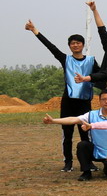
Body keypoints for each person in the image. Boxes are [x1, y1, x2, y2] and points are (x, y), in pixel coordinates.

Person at [26, 19, 99, 172]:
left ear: (83, 45)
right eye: (73, 43)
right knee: (67, 134)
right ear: (69, 46)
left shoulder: (91, 61)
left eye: (78, 43)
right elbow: (51, 47)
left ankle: (88, 162)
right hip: (68, 102)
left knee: (86, 133)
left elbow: (101, 76)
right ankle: (68, 162)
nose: (76, 45)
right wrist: (35, 31)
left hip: (85, 102)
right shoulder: (66, 59)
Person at [41, 90, 107, 181]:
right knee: (82, 145)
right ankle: (86, 172)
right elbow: (73, 119)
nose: (106, 101)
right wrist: (54, 121)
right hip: (95, 150)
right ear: (99, 101)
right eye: (104, 99)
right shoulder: (91, 115)